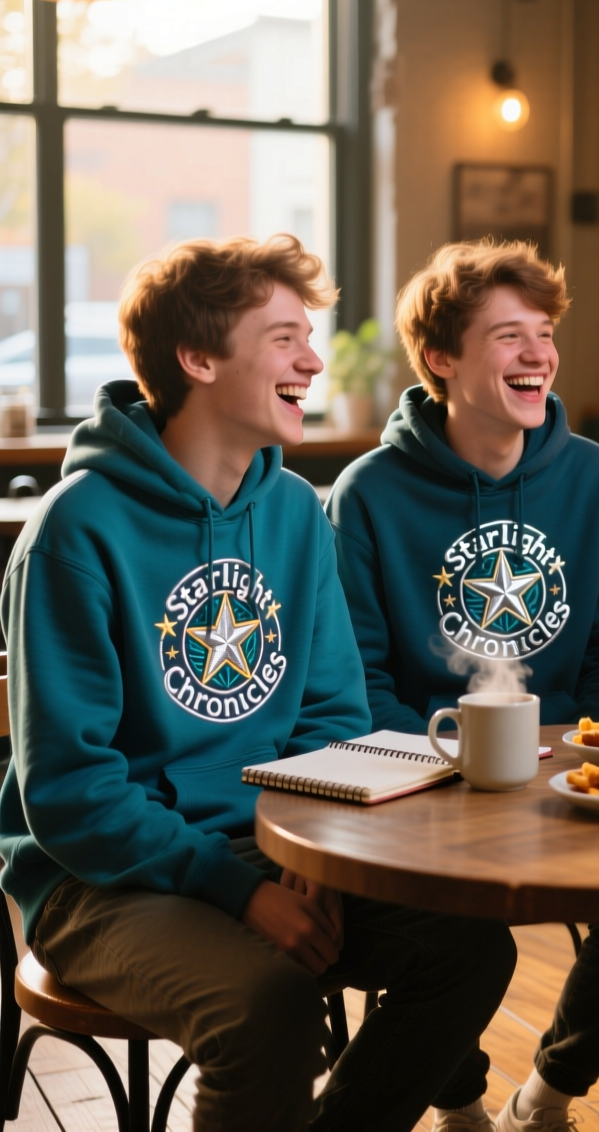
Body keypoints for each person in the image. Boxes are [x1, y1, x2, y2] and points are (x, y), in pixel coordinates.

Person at [0, 235, 517, 1132]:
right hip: (99, 882)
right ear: (198, 359)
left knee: (470, 950)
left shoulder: (293, 514)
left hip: (275, 845)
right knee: (269, 1008)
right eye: (284, 339)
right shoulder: (74, 532)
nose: (312, 360)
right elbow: (72, 795)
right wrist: (241, 892)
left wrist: (315, 855)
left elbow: (332, 719)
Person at [327, 240, 599, 1132]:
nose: (537, 354)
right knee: (453, 937)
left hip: (568, 779)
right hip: (423, 788)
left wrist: (544, 754)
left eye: (543, 333)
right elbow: (359, 683)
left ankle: (546, 1096)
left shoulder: (594, 480)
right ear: (441, 358)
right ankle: (462, 1107)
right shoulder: (368, 493)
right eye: (507, 335)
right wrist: (460, 764)